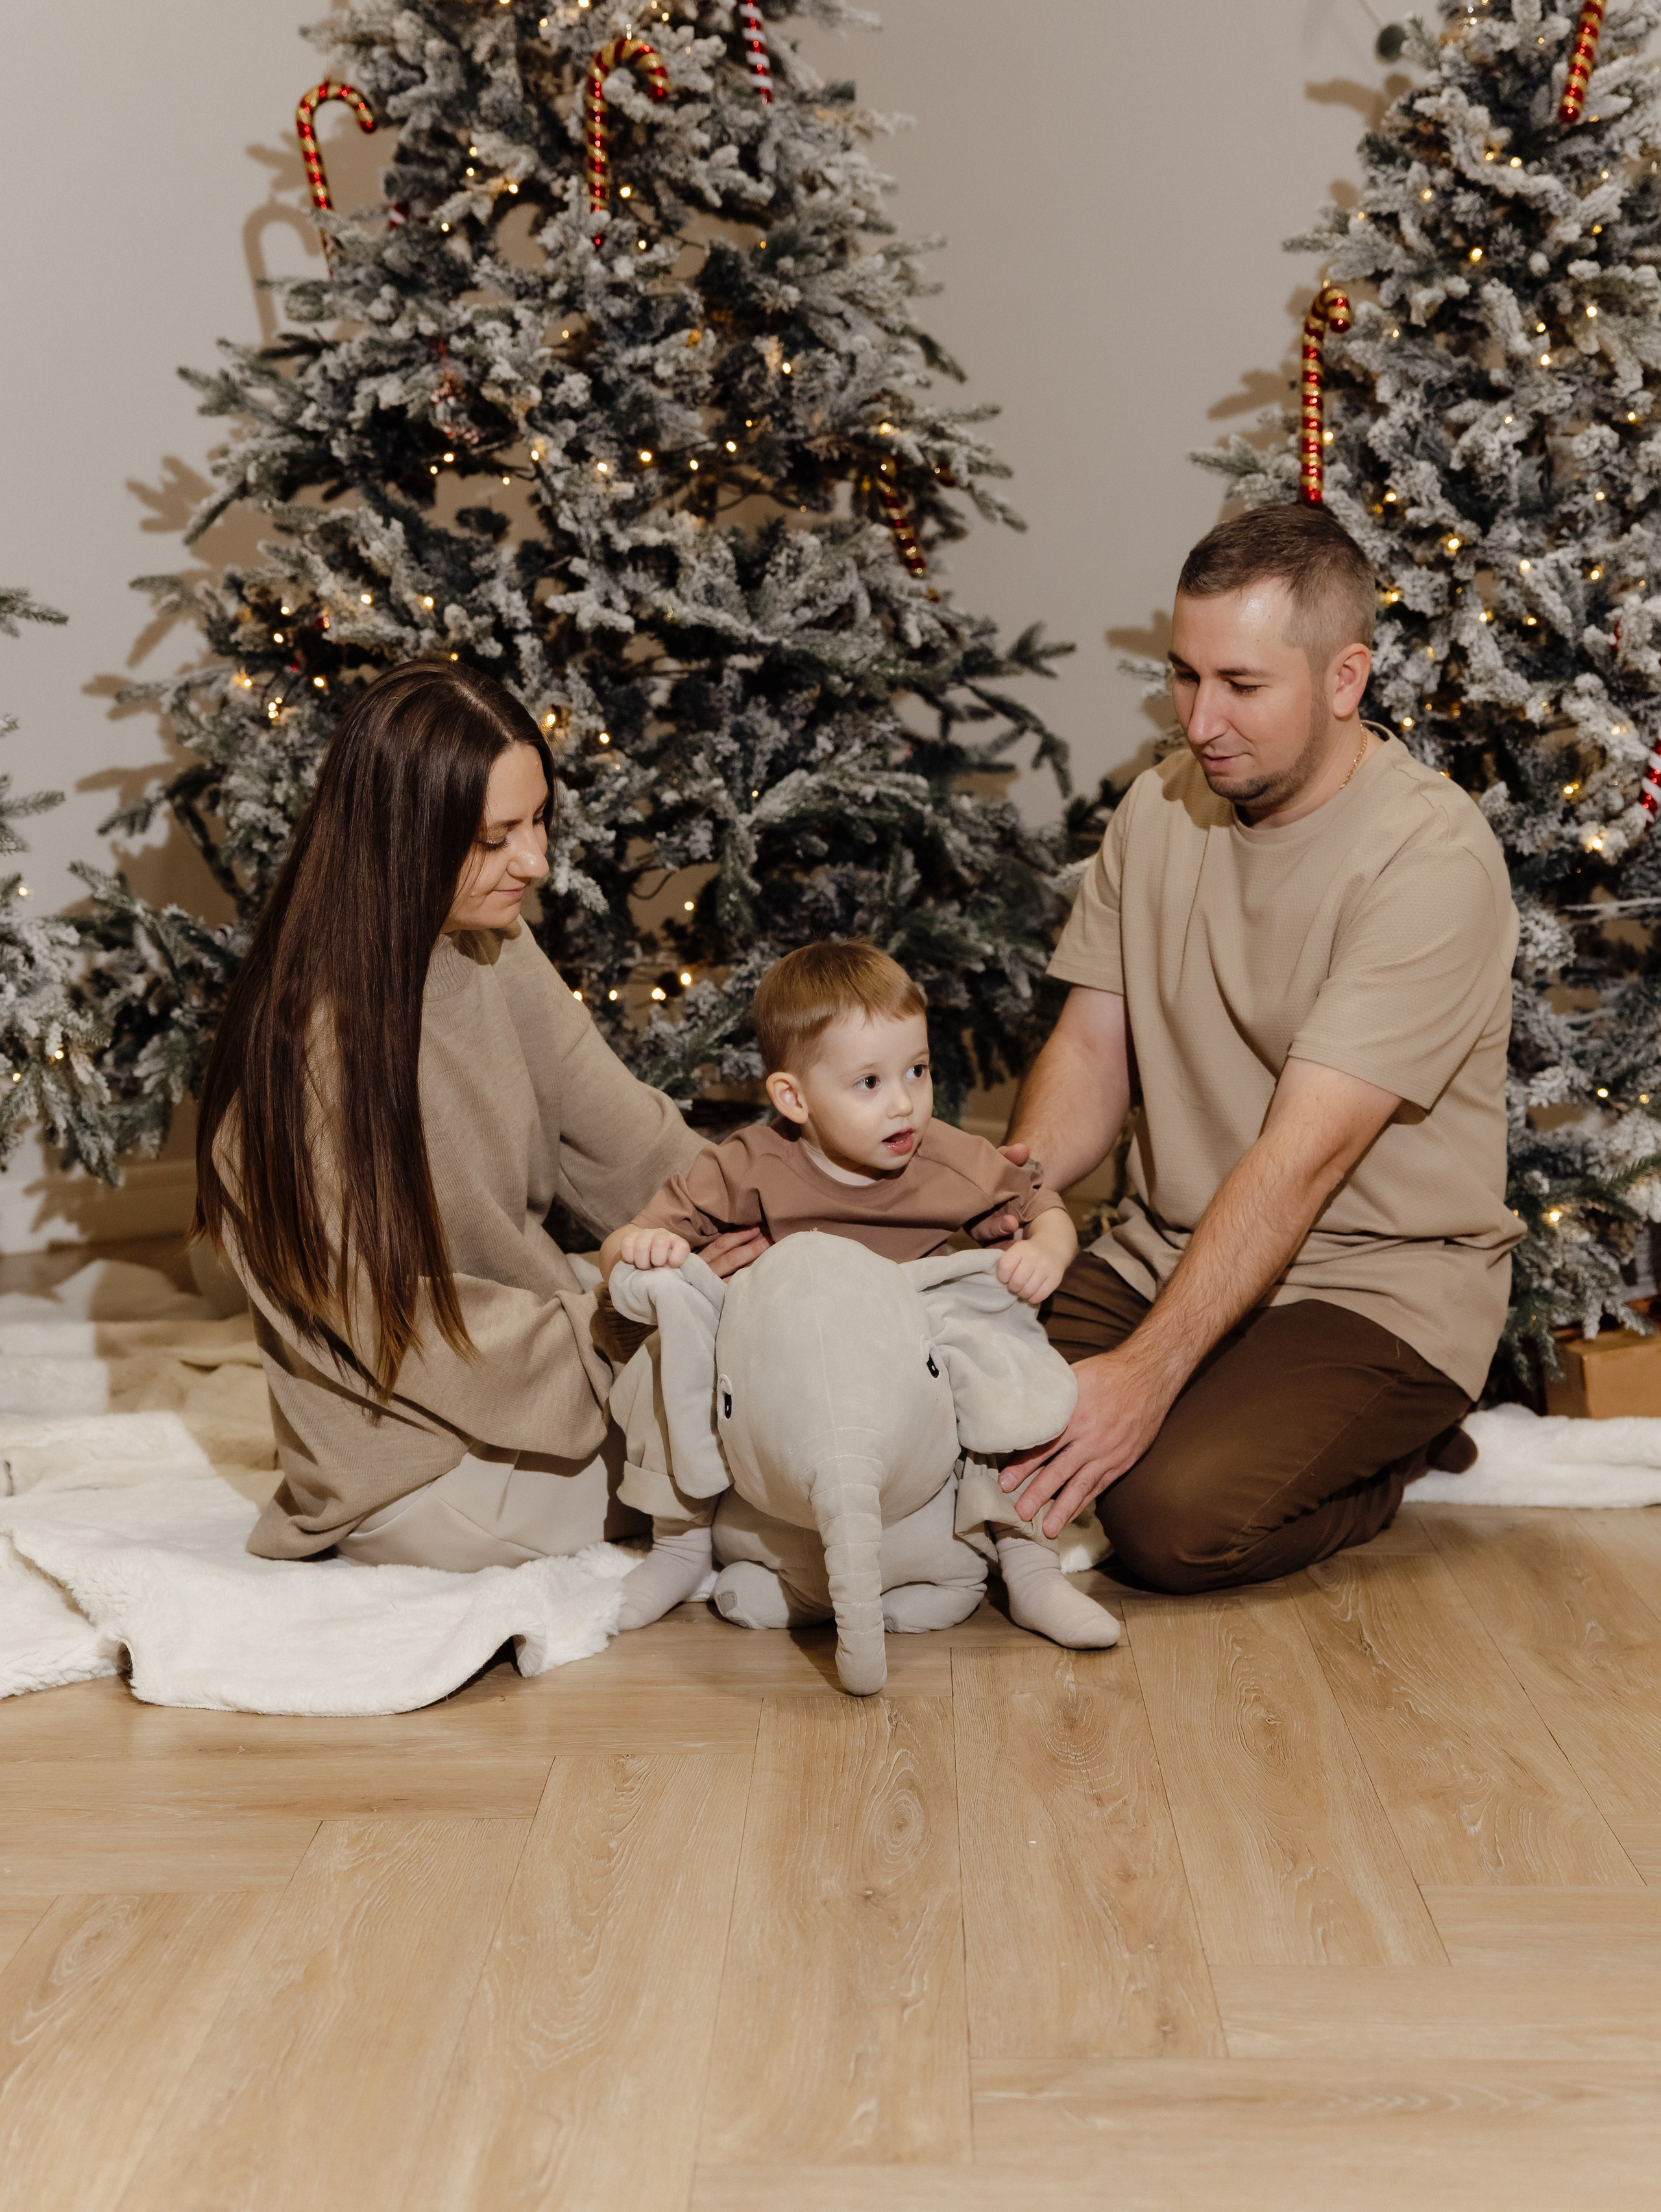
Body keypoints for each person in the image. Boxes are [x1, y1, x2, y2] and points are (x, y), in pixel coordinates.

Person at [993, 501, 1521, 1591]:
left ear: (1344, 679)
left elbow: (1300, 1163)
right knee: (953, 1412)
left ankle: (1405, 1451)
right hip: (1166, 1249)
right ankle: (1205, 1397)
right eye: (1185, 676)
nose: (1200, 719)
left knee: (1171, 1520)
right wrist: (1019, 1202)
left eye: (1242, 686)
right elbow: (1091, 1052)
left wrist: (1144, 1376)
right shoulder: (1156, 811)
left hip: (1370, 1287)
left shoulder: (1430, 859)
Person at [195, 658, 750, 1614]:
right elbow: (408, 1330)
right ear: (401, 841)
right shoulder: (307, 1055)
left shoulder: (487, 936)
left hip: (518, 1353)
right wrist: (629, 1329)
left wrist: (786, 1208)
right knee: (760, 1443)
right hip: (423, 1464)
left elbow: (622, 1136)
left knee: (768, 1352)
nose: (535, 861)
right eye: (496, 838)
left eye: (537, 821)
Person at [597, 940, 1119, 1647]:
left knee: (1000, 1337)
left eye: (917, 1069)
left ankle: (1026, 1560)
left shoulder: (948, 1158)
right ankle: (679, 1542)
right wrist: (645, 1247)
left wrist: (1046, 1252)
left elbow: (1042, 1202)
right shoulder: (747, 1164)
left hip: (911, 1359)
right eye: (868, 1083)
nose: (905, 1103)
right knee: (673, 1343)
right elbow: (622, 1245)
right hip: (791, 1364)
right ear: (793, 1097)